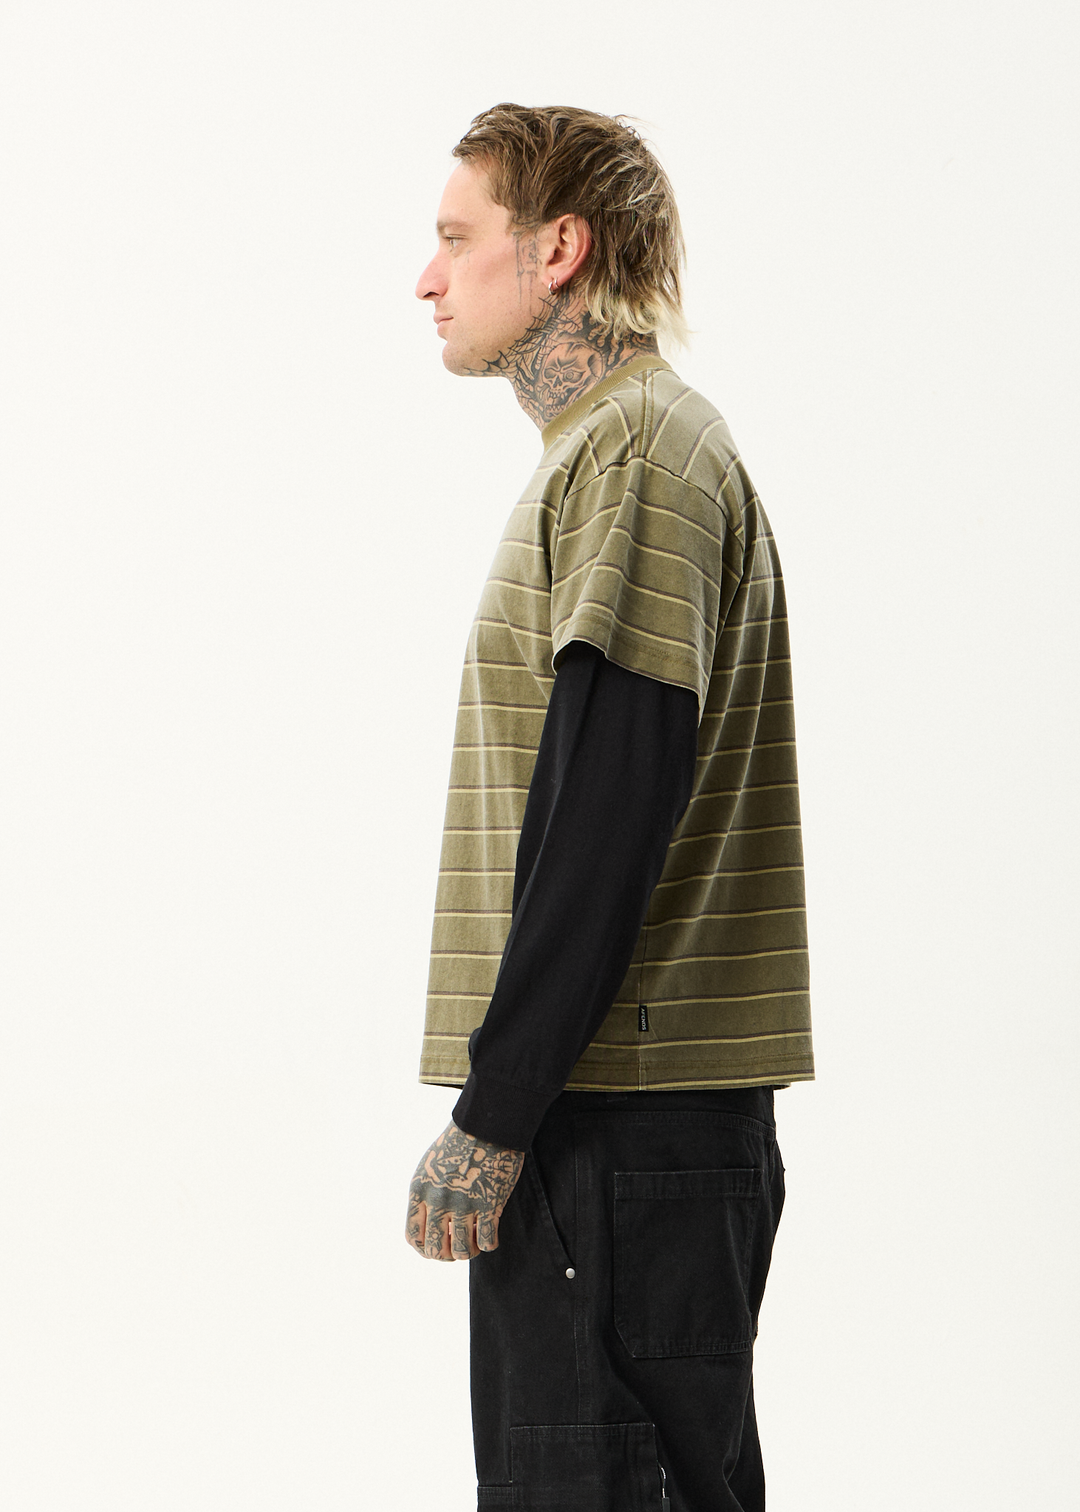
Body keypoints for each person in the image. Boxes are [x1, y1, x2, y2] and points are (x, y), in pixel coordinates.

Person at [405, 103, 814, 1512]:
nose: (427, 277)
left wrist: (497, 1109)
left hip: (615, 1124)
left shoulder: (636, 455)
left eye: (457, 237)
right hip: (624, 1128)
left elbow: (610, 802)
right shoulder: (617, 452)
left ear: (559, 249)